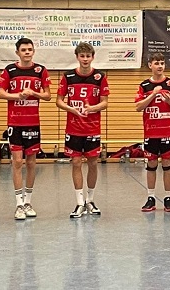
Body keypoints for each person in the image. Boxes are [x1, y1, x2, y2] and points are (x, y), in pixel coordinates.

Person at [0, 37, 52, 220]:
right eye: (23, 50)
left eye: (30, 49)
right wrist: (18, 95)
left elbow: (48, 95)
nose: (27, 52)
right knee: (17, 162)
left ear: (33, 51)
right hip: (15, 122)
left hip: (33, 123)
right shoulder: (10, 70)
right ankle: (18, 204)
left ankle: (28, 202)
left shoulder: (40, 70)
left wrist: (33, 93)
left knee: (31, 163)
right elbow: (0, 93)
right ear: (17, 52)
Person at [56, 43, 109, 218]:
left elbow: (105, 102)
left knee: (93, 163)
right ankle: (79, 203)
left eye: (88, 56)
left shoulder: (100, 77)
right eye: (82, 56)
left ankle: (90, 200)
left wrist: (92, 108)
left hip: (92, 127)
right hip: (73, 128)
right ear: (77, 57)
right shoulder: (68, 76)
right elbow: (59, 101)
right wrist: (71, 109)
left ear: (93, 57)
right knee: (76, 163)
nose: (85, 59)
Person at [135, 52, 170, 212]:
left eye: (162, 63)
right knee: (151, 164)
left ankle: (168, 198)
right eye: (156, 63)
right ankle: (151, 197)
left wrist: (169, 100)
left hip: (167, 132)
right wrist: (153, 95)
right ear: (150, 65)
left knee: (167, 164)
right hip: (151, 132)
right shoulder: (144, 85)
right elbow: (138, 107)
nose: (160, 66)